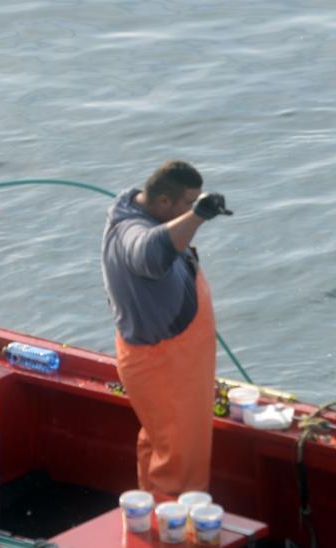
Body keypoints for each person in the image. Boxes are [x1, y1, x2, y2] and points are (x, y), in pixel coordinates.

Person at [101, 160, 231, 500]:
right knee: (180, 460)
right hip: (163, 364)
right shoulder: (132, 233)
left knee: (165, 442)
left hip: (182, 360)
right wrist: (198, 216)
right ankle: (173, 528)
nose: (191, 211)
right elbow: (150, 254)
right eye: (188, 203)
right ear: (163, 202)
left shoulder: (155, 215)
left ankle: (153, 510)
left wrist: (192, 213)